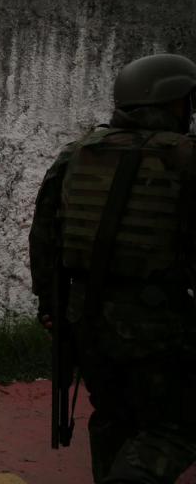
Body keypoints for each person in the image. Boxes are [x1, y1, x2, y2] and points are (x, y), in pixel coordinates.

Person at [29, 54, 196, 483]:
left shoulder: (77, 154)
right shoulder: (185, 158)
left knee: (112, 417)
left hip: (85, 320)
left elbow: (44, 241)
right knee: (172, 428)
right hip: (159, 326)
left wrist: (51, 308)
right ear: (173, 101)